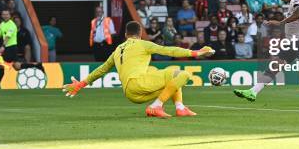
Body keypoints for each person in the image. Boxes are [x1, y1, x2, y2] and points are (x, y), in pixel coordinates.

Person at [62, 21, 215, 117]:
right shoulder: (142, 44)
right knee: (183, 74)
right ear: (140, 34)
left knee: (161, 73)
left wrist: (81, 84)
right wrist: (196, 52)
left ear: (125, 34)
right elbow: (169, 51)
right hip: (140, 84)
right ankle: (156, 106)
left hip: (130, 93)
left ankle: (180, 108)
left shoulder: (118, 49)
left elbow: (102, 69)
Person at [0, 10, 43, 88]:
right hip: (9, 48)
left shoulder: (12, 25)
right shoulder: (2, 24)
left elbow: (7, 37)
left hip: (11, 48)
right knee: (17, 67)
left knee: (1, 65)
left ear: (10, 15)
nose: (5, 16)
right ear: (2, 16)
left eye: (7, 14)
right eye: (4, 14)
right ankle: (37, 66)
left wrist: (3, 46)